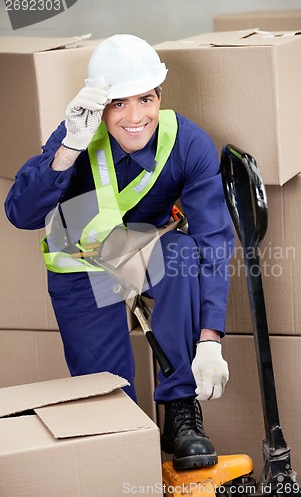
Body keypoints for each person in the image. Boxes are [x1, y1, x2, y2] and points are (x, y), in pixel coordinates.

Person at [4, 34, 235, 470]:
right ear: (101, 104)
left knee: (184, 254)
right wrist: (67, 150)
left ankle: (181, 412)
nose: (135, 117)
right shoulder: (76, 132)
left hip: (140, 255)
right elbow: (20, 213)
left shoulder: (185, 143)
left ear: (159, 97)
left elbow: (214, 241)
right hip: (81, 266)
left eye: (145, 99)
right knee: (112, 406)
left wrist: (210, 339)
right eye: (119, 103)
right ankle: (131, 454)